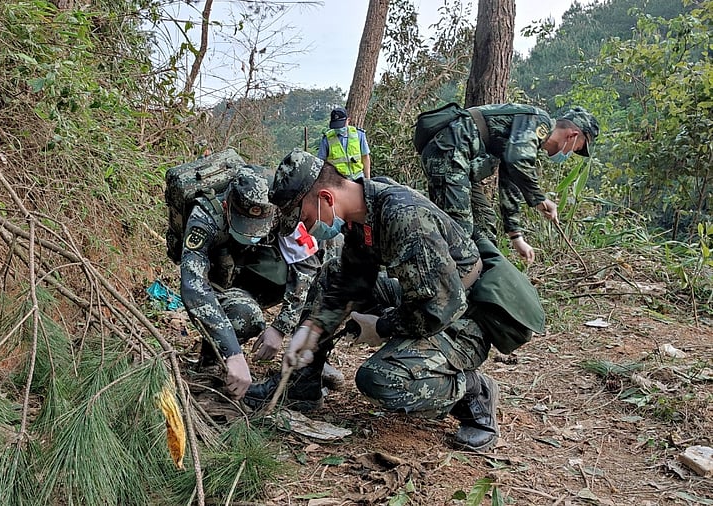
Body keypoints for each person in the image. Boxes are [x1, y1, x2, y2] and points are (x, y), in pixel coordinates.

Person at [247, 149, 541, 451]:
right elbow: (351, 279)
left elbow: (437, 310)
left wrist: (382, 326)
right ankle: (303, 385)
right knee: (331, 274)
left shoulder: (403, 216)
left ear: (326, 198)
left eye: (304, 217)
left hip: (465, 317)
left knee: (381, 379)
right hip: (427, 296)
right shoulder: (363, 210)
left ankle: (474, 394)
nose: (306, 228)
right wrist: (314, 328)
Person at [179, 165, 328, 400]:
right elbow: (194, 286)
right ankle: (212, 359)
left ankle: (307, 366)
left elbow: (306, 267)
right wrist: (233, 353)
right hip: (220, 281)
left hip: (256, 274)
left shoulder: (281, 207)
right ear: (227, 206)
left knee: (326, 275)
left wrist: (280, 328)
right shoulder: (205, 217)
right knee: (244, 315)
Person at [418, 105, 599, 263]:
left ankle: (486, 283)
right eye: (576, 148)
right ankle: (443, 289)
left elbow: (510, 181)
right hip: (448, 153)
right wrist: (540, 200)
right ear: (572, 135)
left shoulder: (528, 140)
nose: (570, 153)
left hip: (458, 160)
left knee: (484, 222)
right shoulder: (539, 121)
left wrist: (516, 237)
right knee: (459, 231)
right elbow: (517, 160)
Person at [318, 106, 371, 180]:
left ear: (348, 120)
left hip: (358, 178)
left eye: (340, 125)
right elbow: (321, 162)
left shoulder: (359, 134)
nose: (339, 128)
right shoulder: (327, 138)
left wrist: (368, 179)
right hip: (337, 180)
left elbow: (365, 157)